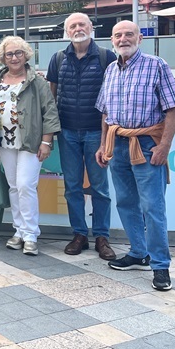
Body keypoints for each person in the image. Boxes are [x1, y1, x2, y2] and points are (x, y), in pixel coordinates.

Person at [96, 20, 175, 292]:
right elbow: (105, 113)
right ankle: (138, 252)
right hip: (118, 144)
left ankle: (160, 266)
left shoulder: (157, 65)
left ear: (140, 38)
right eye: (118, 35)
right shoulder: (111, 69)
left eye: (129, 34)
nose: (123, 39)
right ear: (112, 40)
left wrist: (164, 146)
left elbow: (173, 108)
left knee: (153, 207)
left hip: (146, 144)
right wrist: (103, 145)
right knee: (125, 202)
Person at [46, 13, 117, 260]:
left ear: (91, 28)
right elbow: (50, 97)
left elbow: (112, 98)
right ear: (67, 31)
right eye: (73, 26)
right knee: (72, 186)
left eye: (82, 24)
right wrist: (49, 131)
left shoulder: (107, 57)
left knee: (100, 187)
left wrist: (107, 136)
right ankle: (79, 234)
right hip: (67, 133)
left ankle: (101, 236)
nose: (78, 29)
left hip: (97, 133)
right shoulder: (58, 58)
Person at [0, 36, 60, 256]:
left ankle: (30, 235)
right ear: (3, 57)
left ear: (26, 54)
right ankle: (18, 231)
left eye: (18, 53)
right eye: (9, 54)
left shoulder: (36, 81)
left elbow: (50, 111)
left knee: (26, 185)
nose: (14, 57)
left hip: (31, 141)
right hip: (5, 142)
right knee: (13, 186)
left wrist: (47, 141)